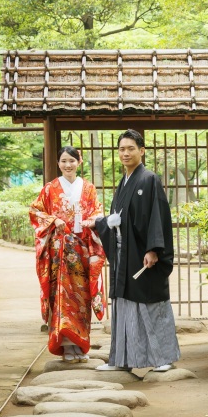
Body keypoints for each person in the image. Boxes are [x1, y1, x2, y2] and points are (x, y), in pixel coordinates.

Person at [84, 129, 179, 372]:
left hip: (142, 253)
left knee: (150, 302)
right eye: (122, 149)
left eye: (130, 149)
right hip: (123, 254)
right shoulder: (124, 181)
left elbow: (158, 216)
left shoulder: (149, 179)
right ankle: (122, 360)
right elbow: (120, 218)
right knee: (125, 305)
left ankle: (162, 358)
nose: (125, 153)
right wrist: (103, 222)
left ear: (142, 150)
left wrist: (154, 249)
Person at [30, 146, 106, 363]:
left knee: (81, 298)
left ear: (79, 162)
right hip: (59, 253)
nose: (68, 165)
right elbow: (35, 212)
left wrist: (92, 222)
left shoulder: (89, 188)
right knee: (62, 297)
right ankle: (65, 347)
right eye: (63, 161)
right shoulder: (50, 188)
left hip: (82, 250)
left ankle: (80, 345)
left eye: (72, 160)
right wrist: (55, 220)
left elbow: (97, 212)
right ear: (58, 163)